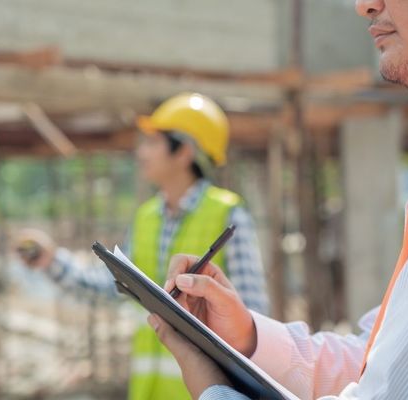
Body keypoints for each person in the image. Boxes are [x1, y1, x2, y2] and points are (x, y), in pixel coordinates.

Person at [149, 0, 408, 399]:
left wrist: (213, 387)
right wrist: (248, 336)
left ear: (183, 151)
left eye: (152, 142)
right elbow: (376, 363)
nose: (364, 6)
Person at [16, 92, 270, 400]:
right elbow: (111, 288)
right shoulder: (147, 217)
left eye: (152, 142)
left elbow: (252, 317)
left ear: (184, 151)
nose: (141, 152)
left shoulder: (228, 213)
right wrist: (52, 261)